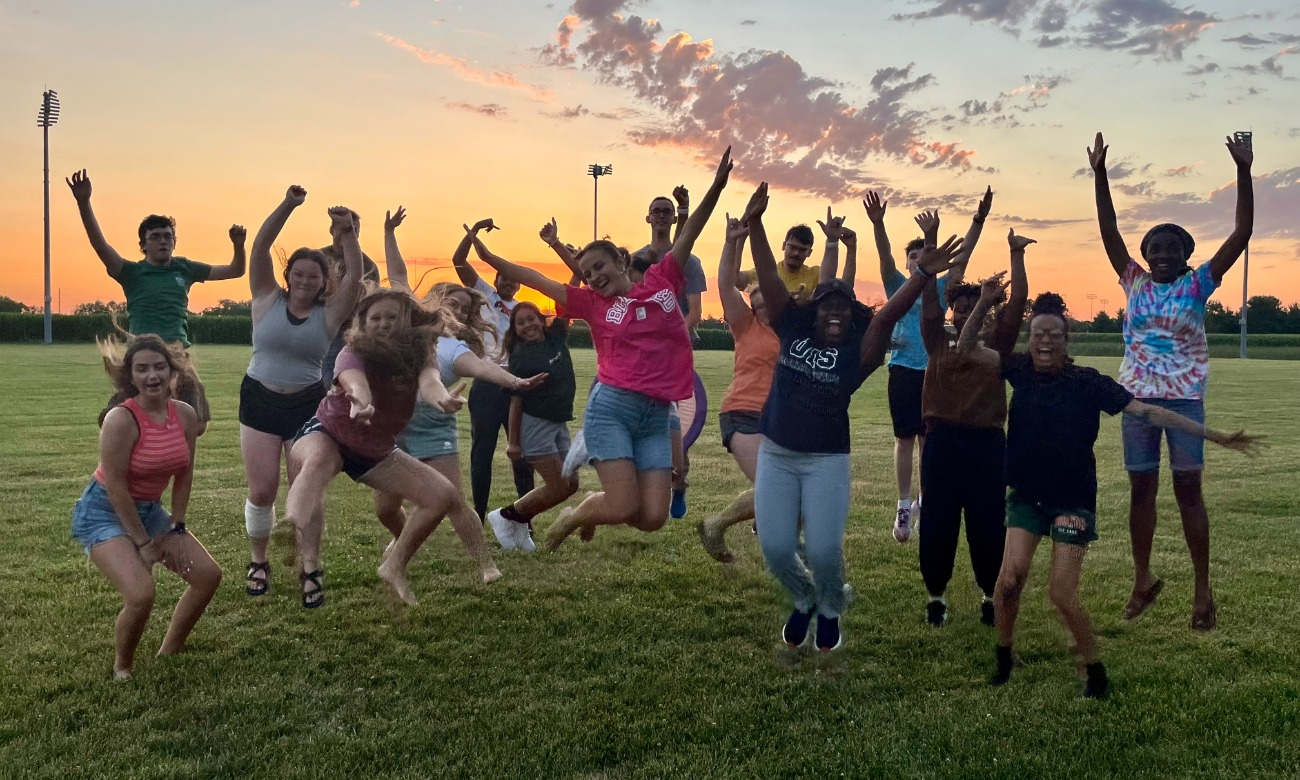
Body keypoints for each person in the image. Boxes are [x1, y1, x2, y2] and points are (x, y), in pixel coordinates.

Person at [990, 279, 1260, 698]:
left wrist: (1214, 435)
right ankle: (1004, 657)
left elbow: (1150, 411)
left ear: (1066, 339)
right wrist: (987, 303)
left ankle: (1093, 669)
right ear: (1030, 338)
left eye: (1054, 335)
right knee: (1008, 584)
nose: (1045, 342)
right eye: (1038, 334)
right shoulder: (1018, 370)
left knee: (1062, 593)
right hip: (1026, 497)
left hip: (1072, 502)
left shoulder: (1089, 382)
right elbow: (967, 349)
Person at [468, 147, 734, 551]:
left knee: (652, 519)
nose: (593, 277)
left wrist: (715, 188)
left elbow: (691, 232)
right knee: (624, 504)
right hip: (612, 409)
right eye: (587, 272)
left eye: (599, 267)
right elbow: (537, 279)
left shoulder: (663, 281)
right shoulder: (592, 304)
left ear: (622, 264)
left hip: (657, 415)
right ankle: (571, 517)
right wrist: (490, 257)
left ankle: (588, 506)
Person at [746, 180, 968, 653]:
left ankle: (827, 609)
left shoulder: (860, 353)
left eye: (844, 309)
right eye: (827, 305)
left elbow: (887, 317)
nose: (835, 314)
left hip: (827, 460)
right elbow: (769, 282)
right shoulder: (790, 327)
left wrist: (922, 276)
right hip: (778, 455)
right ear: (812, 310)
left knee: (825, 551)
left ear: (852, 316)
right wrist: (757, 225)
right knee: (777, 550)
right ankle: (803, 597)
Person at [1088, 132, 1255, 632]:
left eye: (1172, 248)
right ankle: (1142, 582)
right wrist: (1099, 174)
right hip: (1136, 404)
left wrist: (1244, 171)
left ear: (1186, 255)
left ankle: (1202, 592)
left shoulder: (1196, 284)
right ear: (1144, 256)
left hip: (1184, 403)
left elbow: (1241, 235)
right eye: (1154, 248)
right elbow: (1109, 229)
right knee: (1141, 492)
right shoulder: (1133, 281)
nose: (1161, 254)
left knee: (1188, 493)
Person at [283, 284, 469, 608]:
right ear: (363, 323)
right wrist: (362, 404)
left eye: (391, 317)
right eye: (376, 317)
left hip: (374, 449)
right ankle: (292, 537)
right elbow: (357, 384)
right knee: (314, 466)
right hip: (332, 433)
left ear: (406, 320)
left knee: (442, 496)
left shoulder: (419, 353)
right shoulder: (352, 351)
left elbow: (430, 383)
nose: (383, 323)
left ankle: (394, 564)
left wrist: (442, 399)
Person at [381, 212, 542, 569]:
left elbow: (483, 367)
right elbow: (398, 276)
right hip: (397, 421)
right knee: (386, 506)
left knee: (459, 490)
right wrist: (389, 232)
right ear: (436, 300)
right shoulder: (414, 319)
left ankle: (497, 549)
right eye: (451, 302)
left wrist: (516, 382)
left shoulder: (458, 347)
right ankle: (402, 540)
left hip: (443, 417)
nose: (456, 308)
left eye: (463, 308)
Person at [71, 334, 221, 680]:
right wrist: (143, 544)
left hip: (149, 509)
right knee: (141, 595)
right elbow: (118, 488)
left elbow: (185, 473)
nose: (152, 375)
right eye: (142, 369)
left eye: (159, 367)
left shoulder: (184, 415)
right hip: (104, 510)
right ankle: (123, 666)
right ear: (131, 377)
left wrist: (177, 526)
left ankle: (170, 649)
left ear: (173, 372)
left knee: (207, 576)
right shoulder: (121, 419)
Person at [240, 188, 364, 597]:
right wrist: (289, 205)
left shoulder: (331, 313)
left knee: (305, 488)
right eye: (299, 272)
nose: (306, 280)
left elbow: (356, 277)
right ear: (288, 274)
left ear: (324, 279)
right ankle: (259, 562)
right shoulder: (265, 297)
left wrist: (348, 235)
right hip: (259, 398)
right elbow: (260, 246)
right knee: (262, 490)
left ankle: (310, 567)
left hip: (306, 405)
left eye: (315, 275)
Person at [66, 169, 248, 435]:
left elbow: (235, 270)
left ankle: (167, 449)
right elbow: (99, 245)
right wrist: (84, 202)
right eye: (155, 237)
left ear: (174, 242)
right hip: (142, 354)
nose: (163, 240)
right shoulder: (131, 273)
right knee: (112, 421)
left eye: (167, 236)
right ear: (143, 245)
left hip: (177, 355)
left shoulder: (185, 268)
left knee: (198, 423)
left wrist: (238, 245)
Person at [914, 209, 1020, 629]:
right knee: (938, 521)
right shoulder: (937, 340)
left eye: (970, 308)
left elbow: (1015, 309)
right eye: (957, 308)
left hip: (988, 443)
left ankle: (990, 596)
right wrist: (931, 242)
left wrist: (1016, 258)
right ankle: (936, 597)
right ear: (951, 312)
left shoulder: (995, 343)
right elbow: (927, 304)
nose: (961, 313)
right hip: (941, 441)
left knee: (988, 522)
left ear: (985, 311)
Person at [865, 188, 990, 542]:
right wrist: (878, 223)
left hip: (935, 369)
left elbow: (963, 256)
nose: (919, 259)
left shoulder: (941, 287)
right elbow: (885, 255)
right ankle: (904, 506)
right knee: (905, 438)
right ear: (909, 263)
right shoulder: (896, 285)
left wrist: (977, 221)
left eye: (925, 253)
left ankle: (925, 500)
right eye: (914, 256)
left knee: (929, 441)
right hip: (903, 369)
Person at [452, 220, 537, 523]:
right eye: (505, 278)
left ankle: (525, 517)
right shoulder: (484, 294)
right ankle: (477, 515)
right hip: (487, 383)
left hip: (516, 386)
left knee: (522, 455)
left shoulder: (524, 311)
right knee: (481, 453)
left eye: (515, 281)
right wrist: (472, 232)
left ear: (519, 285)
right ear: (497, 278)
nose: (510, 284)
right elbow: (459, 261)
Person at [636, 187, 709, 518]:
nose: (662, 215)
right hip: (641, 357)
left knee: (677, 425)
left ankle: (679, 488)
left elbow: (695, 312)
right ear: (648, 217)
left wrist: (670, 337)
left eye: (668, 211)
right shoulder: (635, 261)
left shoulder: (690, 262)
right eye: (657, 210)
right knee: (640, 423)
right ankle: (643, 491)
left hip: (675, 355)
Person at [485, 301, 581, 547]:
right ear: (515, 330)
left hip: (558, 423)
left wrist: (576, 272)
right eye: (521, 322)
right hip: (535, 426)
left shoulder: (555, 338)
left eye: (531, 319)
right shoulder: (522, 358)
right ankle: (507, 516)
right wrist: (513, 443)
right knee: (559, 486)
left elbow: (567, 303)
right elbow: (516, 401)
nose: (527, 325)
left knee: (571, 485)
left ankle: (515, 519)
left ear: (541, 319)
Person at [317, 208, 382, 385]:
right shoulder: (319, 258)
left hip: (348, 331)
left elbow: (372, 302)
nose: (349, 233)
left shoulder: (368, 266)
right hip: (318, 326)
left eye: (354, 229)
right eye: (344, 228)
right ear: (331, 230)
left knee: (337, 375)